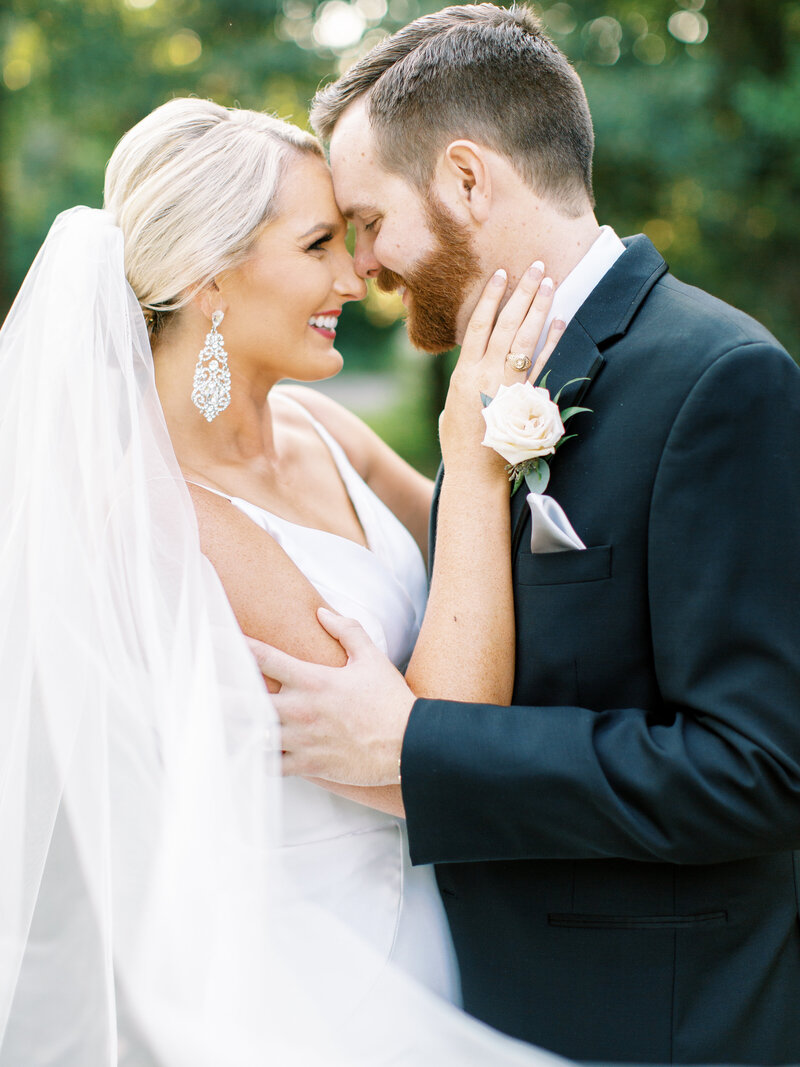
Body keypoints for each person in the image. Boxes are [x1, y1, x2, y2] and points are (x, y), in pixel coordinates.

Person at [249, 5, 800, 1064]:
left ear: (464, 180)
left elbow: (762, 768)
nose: (361, 267)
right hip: (476, 997)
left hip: (652, 1022)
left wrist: (416, 747)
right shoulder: (489, 393)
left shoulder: (715, 378)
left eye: (364, 219)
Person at [0, 96, 567, 1066]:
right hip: (320, 976)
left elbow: (501, 563)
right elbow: (437, 734)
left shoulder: (320, 428)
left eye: (349, 240)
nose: (356, 276)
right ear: (206, 276)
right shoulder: (168, 514)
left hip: (429, 919)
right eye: (317, 245)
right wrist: (473, 462)